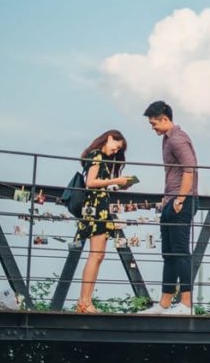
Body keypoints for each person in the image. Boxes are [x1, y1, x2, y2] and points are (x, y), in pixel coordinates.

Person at [138, 100, 199, 315]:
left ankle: (186, 305)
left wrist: (180, 199)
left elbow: (190, 169)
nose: (152, 127)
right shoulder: (167, 139)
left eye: (154, 123)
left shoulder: (178, 139)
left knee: (181, 252)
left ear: (165, 119)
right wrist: (168, 198)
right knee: (169, 253)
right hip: (171, 199)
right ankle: (164, 304)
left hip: (181, 200)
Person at [73, 129, 132, 313]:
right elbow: (91, 182)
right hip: (95, 210)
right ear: (109, 138)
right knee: (95, 255)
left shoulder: (101, 158)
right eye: (116, 146)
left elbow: (99, 183)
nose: (116, 151)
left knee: (98, 256)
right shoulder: (97, 155)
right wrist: (116, 179)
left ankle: (86, 301)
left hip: (101, 209)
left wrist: (121, 184)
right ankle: (84, 302)